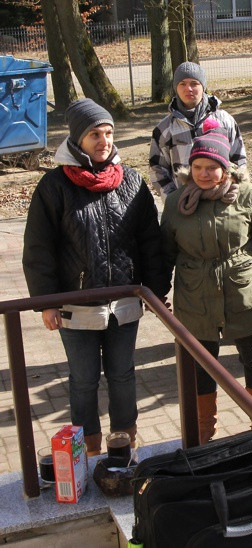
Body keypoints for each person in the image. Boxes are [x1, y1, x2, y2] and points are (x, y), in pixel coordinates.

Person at [22, 98, 171, 456]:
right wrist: (46, 302)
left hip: (123, 303)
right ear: (78, 138)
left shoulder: (130, 181)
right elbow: (39, 248)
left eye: (108, 133)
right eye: (94, 134)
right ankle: (87, 448)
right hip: (76, 306)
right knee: (84, 380)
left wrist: (155, 291)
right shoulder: (54, 186)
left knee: (122, 374)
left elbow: (150, 241)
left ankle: (124, 441)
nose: (104, 141)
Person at [161, 118, 252, 444]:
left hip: (244, 294)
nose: (204, 174)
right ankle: (204, 433)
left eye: (212, 167)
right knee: (200, 366)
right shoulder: (176, 202)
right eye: (197, 167)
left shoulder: (247, 195)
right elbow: (164, 251)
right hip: (195, 297)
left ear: (226, 168)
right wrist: (158, 293)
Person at [150, 61, 247, 198]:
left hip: (221, 200)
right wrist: (172, 199)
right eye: (182, 84)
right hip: (185, 203)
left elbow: (239, 160)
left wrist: (232, 190)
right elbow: (157, 169)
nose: (188, 89)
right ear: (176, 87)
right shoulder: (165, 129)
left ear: (203, 86)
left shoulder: (225, 121)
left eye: (194, 83)